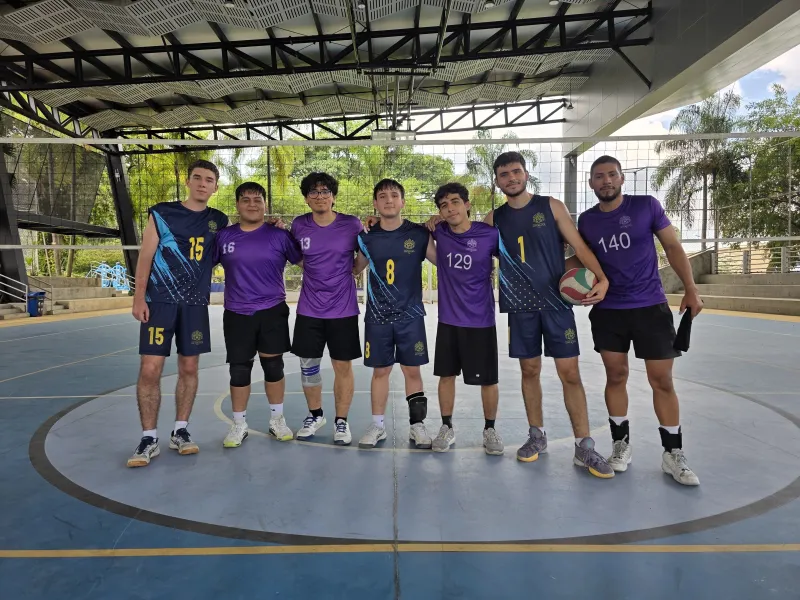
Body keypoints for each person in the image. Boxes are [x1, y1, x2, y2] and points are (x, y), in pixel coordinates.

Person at [575, 155, 703, 486]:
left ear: (621, 179)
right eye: (599, 176)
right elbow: (579, 258)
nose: (606, 181)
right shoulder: (587, 221)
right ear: (591, 183)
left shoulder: (646, 206)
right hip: (608, 310)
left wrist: (691, 289)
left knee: (662, 380)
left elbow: (672, 246)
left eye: (611, 175)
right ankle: (621, 445)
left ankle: (672, 452)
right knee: (615, 375)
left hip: (650, 307)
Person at [127, 159, 229, 467]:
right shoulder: (162, 213)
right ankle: (148, 438)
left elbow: (237, 244)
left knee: (189, 368)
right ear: (188, 182)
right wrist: (139, 298)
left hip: (194, 305)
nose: (202, 183)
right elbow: (145, 257)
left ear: (215, 187)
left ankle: (180, 431)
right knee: (150, 369)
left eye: (208, 180)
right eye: (197, 177)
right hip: (160, 302)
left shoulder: (218, 220)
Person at [212, 181, 303, 448]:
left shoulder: (279, 236)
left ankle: (277, 420)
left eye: (257, 199)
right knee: (239, 369)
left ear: (265, 205)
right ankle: (239, 424)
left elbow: (307, 262)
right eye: (246, 199)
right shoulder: (224, 237)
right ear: (237, 205)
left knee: (273, 366)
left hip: (272, 310)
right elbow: (202, 264)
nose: (252, 204)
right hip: (237, 312)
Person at [353, 179, 435, 449]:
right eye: (382, 196)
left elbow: (443, 260)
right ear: (375, 204)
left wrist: (442, 224)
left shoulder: (419, 234)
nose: (389, 200)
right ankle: (377, 426)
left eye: (394, 195)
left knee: (412, 370)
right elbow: (354, 268)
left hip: (410, 315)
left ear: (403, 202)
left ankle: (417, 426)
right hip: (378, 316)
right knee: (381, 371)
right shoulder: (366, 237)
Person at [428, 183, 504, 456]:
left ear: (467, 204)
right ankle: (446, 427)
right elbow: (405, 228)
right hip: (449, 319)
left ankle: (490, 429)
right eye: (444, 205)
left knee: (488, 380)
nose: (450, 209)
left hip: (481, 320)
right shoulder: (438, 231)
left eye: (455, 202)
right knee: (446, 375)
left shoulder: (490, 235)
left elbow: (514, 260)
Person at [289, 172, 364, 445]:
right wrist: (314, 269)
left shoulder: (351, 224)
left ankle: (341, 421)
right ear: (306, 198)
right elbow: (295, 255)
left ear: (333, 197)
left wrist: (354, 270)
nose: (319, 196)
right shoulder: (299, 225)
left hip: (343, 309)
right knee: (308, 365)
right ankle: (315, 415)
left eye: (324, 192)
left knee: (342, 365)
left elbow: (364, 253)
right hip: (309, 308)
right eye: (313, 192)